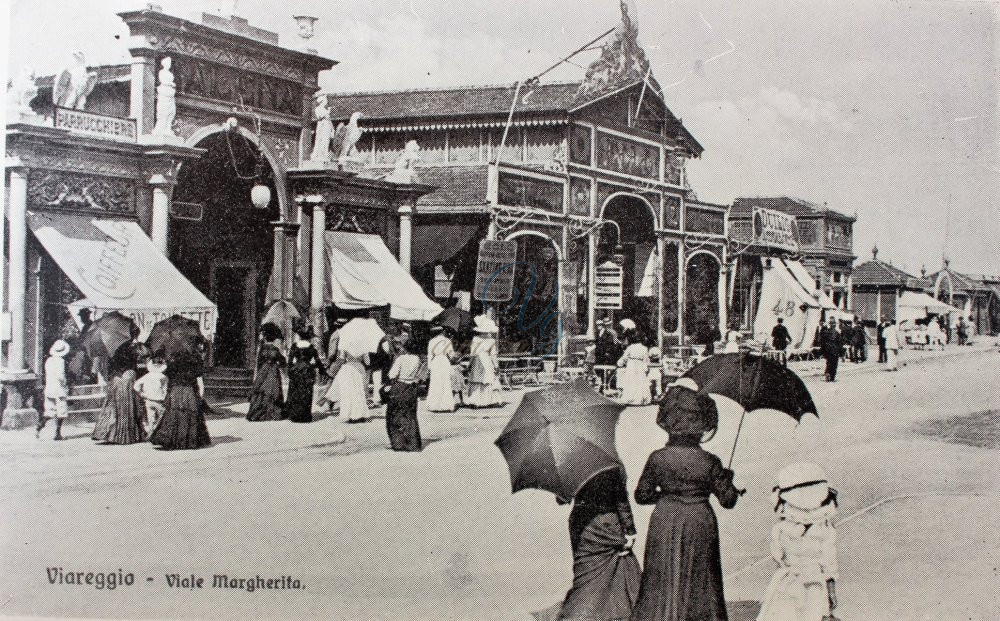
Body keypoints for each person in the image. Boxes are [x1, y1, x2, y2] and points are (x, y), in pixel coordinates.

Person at [630, 385, 741, 621]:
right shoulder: (710, 461)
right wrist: (727, 480)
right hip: (699, 519)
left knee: (662, 575)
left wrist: (668, 496)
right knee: (701, 576)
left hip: (665, 518)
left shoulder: (657, 458)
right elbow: (728, 501)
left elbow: (641, 496)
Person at [553, 467, 641, 621]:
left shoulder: (571, 463)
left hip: (583, 525)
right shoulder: (612, 465)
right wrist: (630, 530)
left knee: (586, 573)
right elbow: (621, 501)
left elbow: (561, 500)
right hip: (607, 524)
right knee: (619, 570)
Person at [756, 463, 839, 621]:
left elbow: (778, 555)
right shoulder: (826, 530)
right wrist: (831, 592)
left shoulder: (779, 529)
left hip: (787, 583)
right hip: (815, 585)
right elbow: (829, 564)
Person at [148, 347, 212, 450]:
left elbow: (166, 376)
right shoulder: (193, 365)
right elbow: (200, 383)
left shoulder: (172, 365)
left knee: (174, 415)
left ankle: (173, 439)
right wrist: (200, 396)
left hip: (176, 391)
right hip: (189, 391)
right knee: (190, 415)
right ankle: (188, 440)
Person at [92, 342, 147, 445]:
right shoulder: (133, 350)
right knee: (128, 404)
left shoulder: (111, 352)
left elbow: (109, 368)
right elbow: (145, 355)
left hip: (117, 379)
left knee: (114, 406)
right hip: (128, 377)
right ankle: (128, 435)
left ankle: (112, 433)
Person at [383, 339, 423, 451]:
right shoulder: (417, 359)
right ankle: (412, 443)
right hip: (411, 387)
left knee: (394, 415)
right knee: (410, 415)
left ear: (405, 348)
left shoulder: (401, 359)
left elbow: (392, 374)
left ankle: (398, 443)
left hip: (400, 386)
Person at [246, 324, 286, 422]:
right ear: (273, 338)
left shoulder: (262, 349)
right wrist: (278, 364)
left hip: (263, 370)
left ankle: (259, 411)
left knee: (261, 388)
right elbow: (283, 362)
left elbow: (259, 362)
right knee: (273, 389)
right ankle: (273, 412)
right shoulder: (275, 349)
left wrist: (260, 373)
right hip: (273, 370)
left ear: (265, 337)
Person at [286, 326, 325, 423]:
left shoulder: (294, 346)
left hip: (296, 370)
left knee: (295, 392)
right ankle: (305, 415)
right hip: (307, 370)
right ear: (308, 337)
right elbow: (317, 361)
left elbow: (290, 361)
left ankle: (294, 415)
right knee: (306, 392)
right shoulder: (311, 347)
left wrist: (290, 371)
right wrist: (321, 370)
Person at [466, 315, 504, 408]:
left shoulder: (475, 339)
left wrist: (469, 364)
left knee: (477, 379)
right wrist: (496, 365)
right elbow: (493, 355)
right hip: (486, 360)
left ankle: (475, 401)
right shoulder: (491, 340)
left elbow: (473, 354)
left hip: (477, 360)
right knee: (487, 379)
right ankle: (488, 400)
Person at [37, 340, 71, 441]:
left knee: (50, 411)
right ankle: (57, 433)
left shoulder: (49, 360)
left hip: (49, 388)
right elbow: (61, 376)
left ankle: (40, 425)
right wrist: (65, 383)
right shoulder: (60, 361)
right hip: (59, 389)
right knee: (61, 411)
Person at [426, 325, 457, 412]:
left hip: (435, 362)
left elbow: (430, 355)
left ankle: (434, 405)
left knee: (435, 383)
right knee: (445, 382)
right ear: (442, 332)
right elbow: (451, 355)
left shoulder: (432, 341)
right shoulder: (447, 341)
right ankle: (446, 405)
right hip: (444, 361)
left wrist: (429, 367)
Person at [133, 357, 168, 432]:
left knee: (150, 418)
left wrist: (141, 393)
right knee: (161, 417)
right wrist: (164, 396)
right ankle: (157, 432)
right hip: (159, 400)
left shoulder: (147, 376)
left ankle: (151, 432)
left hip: (148, 399)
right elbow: (165, 389)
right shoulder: (163, 377)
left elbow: (136, 386)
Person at [617, 334, 651, 406]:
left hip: (631, 365)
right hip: (640, 365)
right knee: (639, 381)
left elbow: (625, 357)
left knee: (630, 380)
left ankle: (630, 398)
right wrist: (646, 367)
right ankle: (639, 399)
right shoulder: (644, 348)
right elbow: (646, 360)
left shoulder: (630, 347)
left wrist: (620, 363)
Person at [819, 318, 843, 382]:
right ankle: (832, 377)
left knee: (829, 363)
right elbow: (840, 343)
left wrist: (823, 351)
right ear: (835, 325)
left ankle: (827, 373)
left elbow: (822, 342)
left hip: (828, 350)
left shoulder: (826, 332)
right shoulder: (837, 333)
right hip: (835, 351)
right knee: (834, 365)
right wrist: (841, 353)